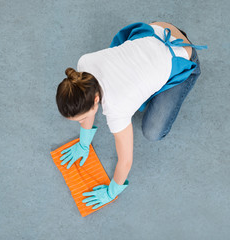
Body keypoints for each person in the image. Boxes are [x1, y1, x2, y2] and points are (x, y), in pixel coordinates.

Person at [55, 21, 207, 210]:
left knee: (152, 132)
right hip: (155, 32)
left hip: (182, 54)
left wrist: (113, 191)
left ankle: (191, 69)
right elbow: (86, 104)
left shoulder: (117, 108)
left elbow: (125, 161)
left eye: (81, 118)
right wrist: (84, 141)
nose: (81, 122)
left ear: (95, 99)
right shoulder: (84, 65)